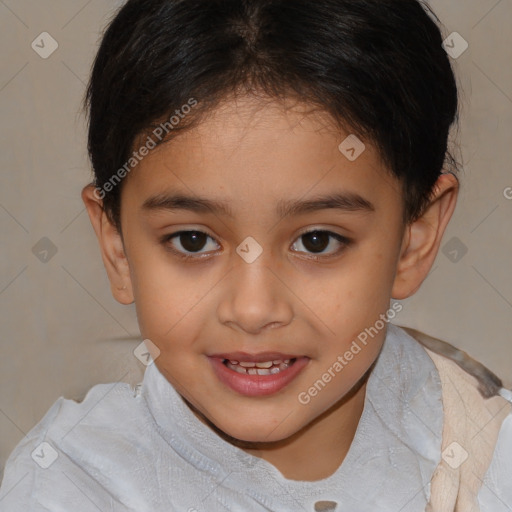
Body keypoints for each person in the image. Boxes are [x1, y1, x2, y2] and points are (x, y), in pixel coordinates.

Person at [1, 0, 511, 510]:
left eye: (317, 240)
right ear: (117, 246)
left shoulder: (489, 458)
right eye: (192, 241)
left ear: (413, 239)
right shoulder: (69, 485)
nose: (252, 309)